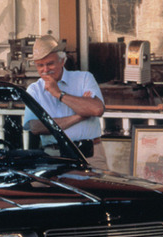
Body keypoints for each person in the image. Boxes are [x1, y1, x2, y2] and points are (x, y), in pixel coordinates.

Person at [23, 35, 108, 169]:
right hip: (54, 157)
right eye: (40, 65)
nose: (45, 70)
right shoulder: (34, 90)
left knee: (98, 190)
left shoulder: (84, 78)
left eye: (50, 63)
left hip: (90, 155)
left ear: (62, 61)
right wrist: (79, 115)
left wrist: (59, 94)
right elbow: (36, 127)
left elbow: (97, 110)